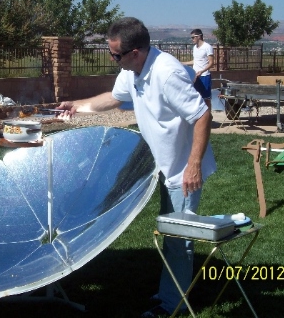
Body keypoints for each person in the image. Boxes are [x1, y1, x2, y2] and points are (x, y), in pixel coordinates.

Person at [56, 17, 216, 317]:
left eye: (116, 55)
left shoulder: (167, 74)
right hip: (164, 165)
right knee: (171, 235)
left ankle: (172, 306)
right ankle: (170, 294)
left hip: (182, 170)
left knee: (178, 241)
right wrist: (77, 105)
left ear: (135, 52)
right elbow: (114, 99)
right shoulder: (131, 70)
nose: (113, 60)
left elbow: (202, 116)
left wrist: (194, 165)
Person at [181, 29, 214, 110]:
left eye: (193, 37)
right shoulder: (195, 48)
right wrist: (182, 63)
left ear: (199, 36)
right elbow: (195, 61)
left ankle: (208, 118)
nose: (192, 39)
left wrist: (202, 71)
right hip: (195, 77)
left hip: (204, 76)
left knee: (206, 99)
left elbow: (211, 62)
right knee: (196, 98)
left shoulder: (207, 47)